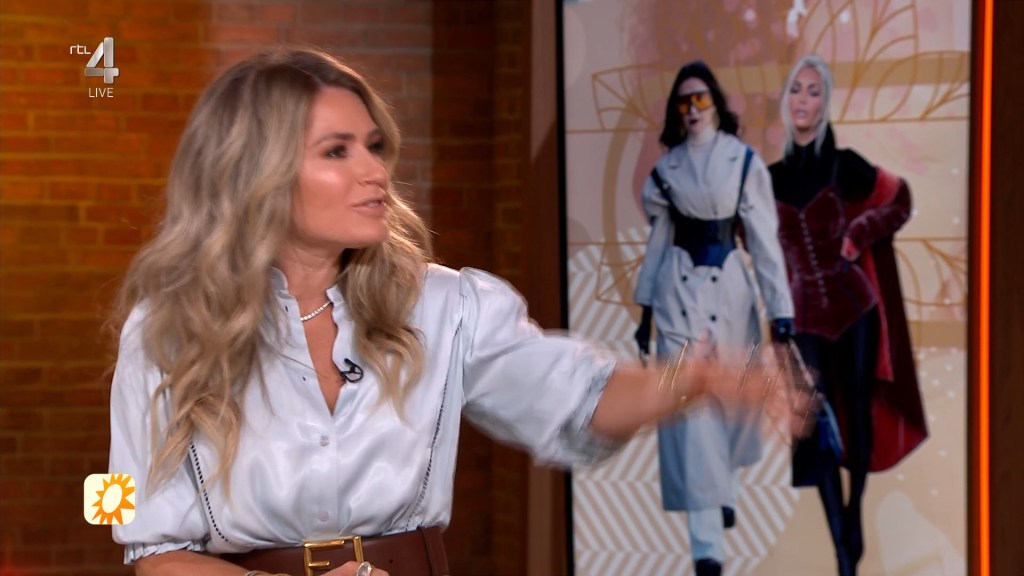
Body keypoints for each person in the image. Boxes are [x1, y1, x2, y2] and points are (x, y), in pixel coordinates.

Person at [106, 47, 807, 576]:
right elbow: (151, 549)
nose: (375, 171)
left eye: (374, 146)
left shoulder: (446, 306)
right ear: (255, 171)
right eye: (337, 152)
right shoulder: (163, 333)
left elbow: (577, 398)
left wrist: (697, 379)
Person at [631, 60, 795, 576]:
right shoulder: (667, 172)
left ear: (717, 105)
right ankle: (708, 547)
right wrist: (645, 309)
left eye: (701, 99)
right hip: (678, 293)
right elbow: (659, 242)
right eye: (684, 102)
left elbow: (764, 242)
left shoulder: (743, 163)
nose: (693, 109)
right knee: (689, 409)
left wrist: (781, 311)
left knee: (733, 403)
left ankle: (721, 490)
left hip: (732, 295)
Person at [768, 54, 929, 576]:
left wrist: (859, 234)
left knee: (857, 415)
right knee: (815, 421)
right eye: (796, 89)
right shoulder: (767, 179)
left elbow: (899, 200)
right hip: (804, 316)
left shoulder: (844, 164)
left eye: (814, 91)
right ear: (785, 100)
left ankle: (854, 507)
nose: (803, 100)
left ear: (825, 103)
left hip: (854, 306)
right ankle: (840, 538)